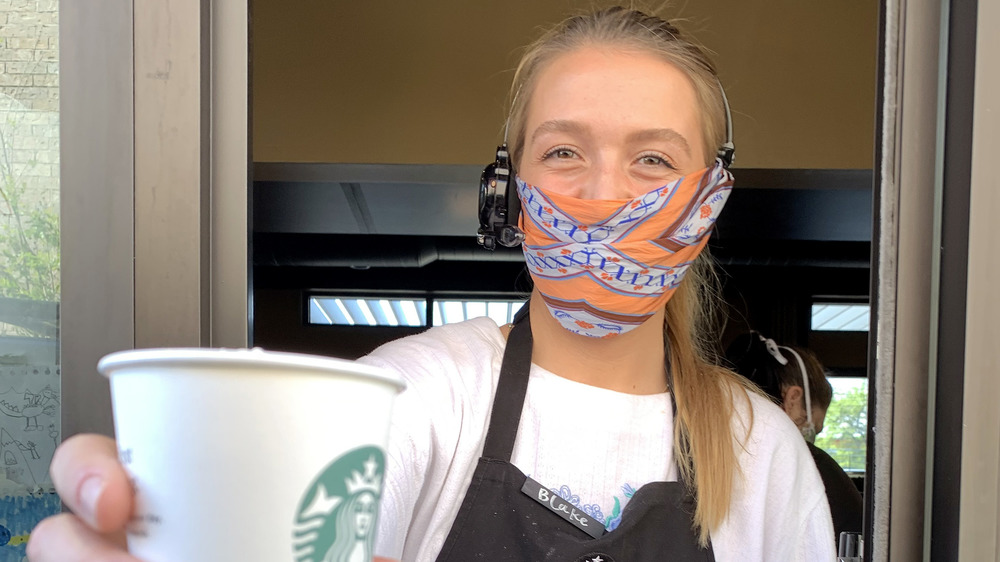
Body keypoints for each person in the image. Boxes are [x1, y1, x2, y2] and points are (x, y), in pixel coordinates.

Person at [27, 7, 835, 561]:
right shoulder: (410, 396)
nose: (602, 195)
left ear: (708, 200)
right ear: (510, 190)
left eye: (652, 159)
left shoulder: (760, 451)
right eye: (562, 152)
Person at [725, 331, 865, 540]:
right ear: (793, 398)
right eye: (813, 427)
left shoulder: (713, 456)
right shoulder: (813, 468)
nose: (810, 441)